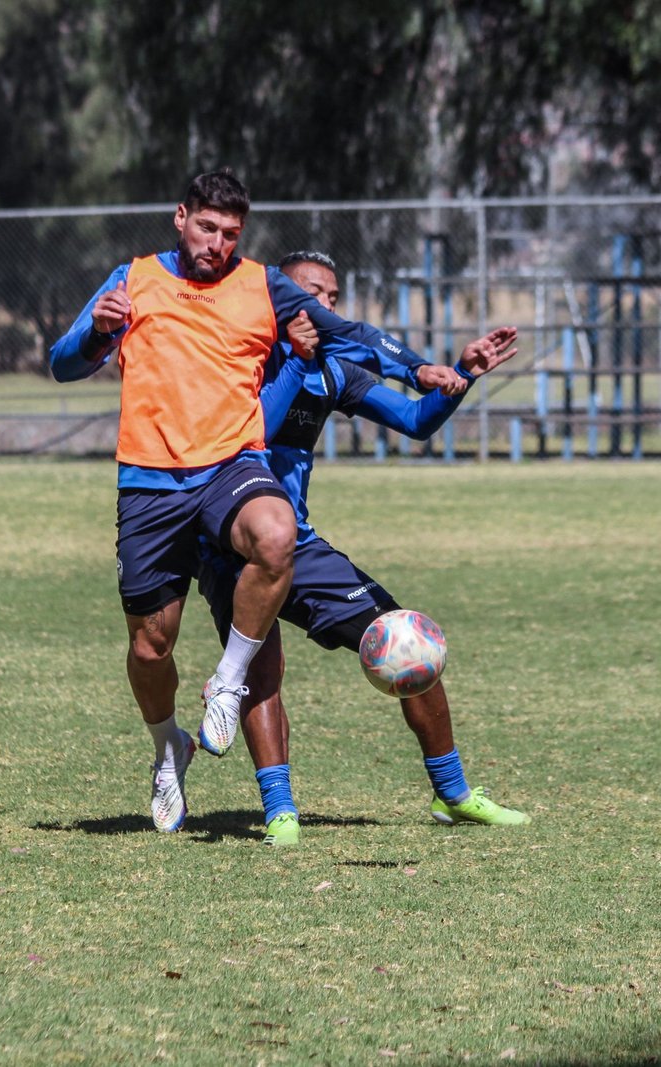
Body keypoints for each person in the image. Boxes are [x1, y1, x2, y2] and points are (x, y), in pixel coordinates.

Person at [49, 172, 466, 833]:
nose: (218, 243)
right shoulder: (131, 279)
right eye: (207, 228)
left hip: (226, 469)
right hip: (150, 484)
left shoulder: (263, 286)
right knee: (151, 647)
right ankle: (168, 749)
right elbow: (63, 363)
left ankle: (227, 683)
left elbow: (348, 333)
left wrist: (420, 369)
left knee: (276, 534)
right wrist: (97, 336)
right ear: (180, 217)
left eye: (231, 233)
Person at [198, 250, 528, 846]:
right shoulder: (243, 357)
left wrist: (463, 372)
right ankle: (280, 811)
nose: (323, 305)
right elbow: (257, 429)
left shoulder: (333, 368)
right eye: (309, 292)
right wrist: (296, 360)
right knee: (260, 666)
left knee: (404, 638)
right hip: (230, 545)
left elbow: (415, 418)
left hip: (299, 545)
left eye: (331, 295)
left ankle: (452, 794)